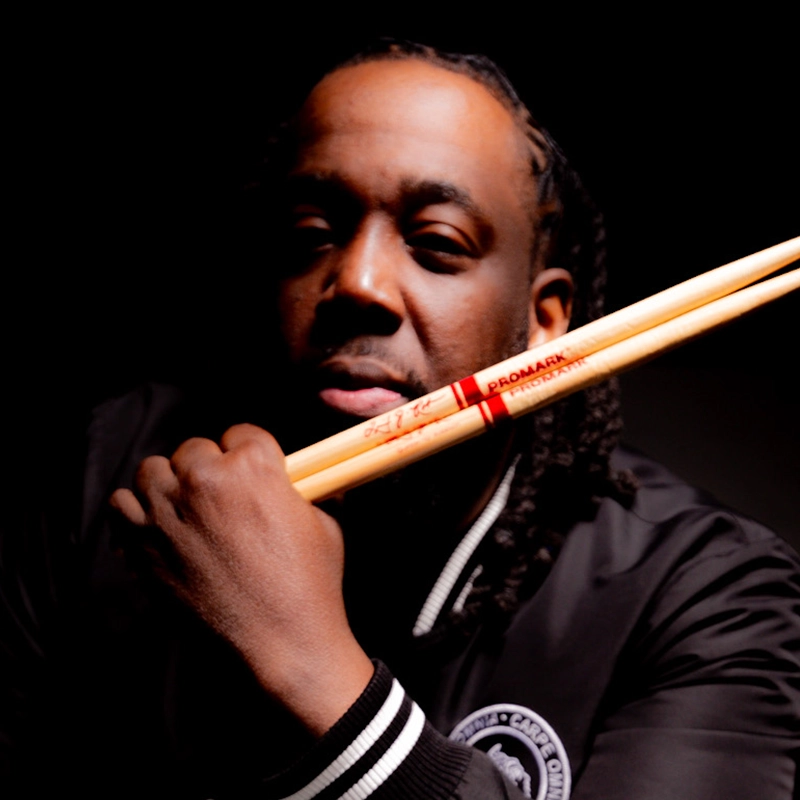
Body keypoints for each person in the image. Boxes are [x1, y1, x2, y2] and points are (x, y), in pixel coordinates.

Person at [3, 40, 798, 799]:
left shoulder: (709, 595)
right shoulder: (111, 474)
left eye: (437, 242)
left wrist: (313, 675)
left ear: (546, 321)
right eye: (311, 233)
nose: (357, 281)